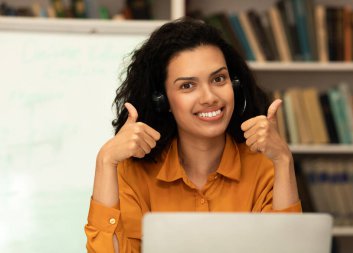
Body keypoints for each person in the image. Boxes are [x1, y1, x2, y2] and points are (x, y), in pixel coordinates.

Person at [85, 18, 301, 253]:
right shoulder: (133, 173)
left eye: (218, 79)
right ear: (163, 100)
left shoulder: (264, 167)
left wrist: (283, 160)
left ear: (235, 85)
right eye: (187, 86)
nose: (209, 97)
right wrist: (105, 161)